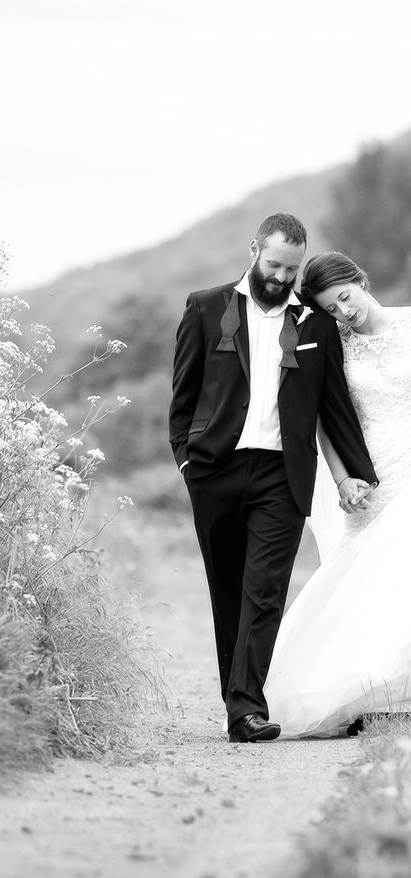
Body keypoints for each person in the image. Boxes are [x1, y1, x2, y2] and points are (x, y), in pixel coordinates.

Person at [169, 215, 377, 743]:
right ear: (254, 249)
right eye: (274, 264)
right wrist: (188, 463)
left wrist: (356, 473)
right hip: (215, 469)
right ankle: (236, 699)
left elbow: (335, 407)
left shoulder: (316, 324)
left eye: (292, 268)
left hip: (283, 474)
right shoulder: (205, 307)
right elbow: (184, 395)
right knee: (228, 590)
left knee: (265, 591)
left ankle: (246, 710)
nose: (282, 277)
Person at [264, 251, 411, 738]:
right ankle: (373, 692)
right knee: (373, 579)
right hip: (375, 472)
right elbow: (326, 418)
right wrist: (343, 476)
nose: (344, 313)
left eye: (345, 298)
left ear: (360, 280)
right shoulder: (335, 345)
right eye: (331, 308)